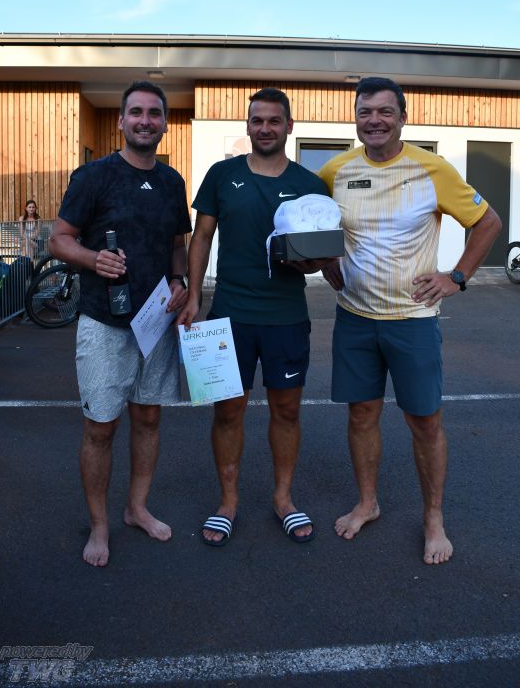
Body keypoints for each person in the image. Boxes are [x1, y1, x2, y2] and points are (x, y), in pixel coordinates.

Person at [319, 77, 501, 564]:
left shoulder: (431, 168)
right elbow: (316, 222)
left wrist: (456, 277)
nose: (374, 120)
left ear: (403, 117)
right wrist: (325, 258)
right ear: (355, 118)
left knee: (424, 421)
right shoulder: (336, 170)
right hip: (355, 317)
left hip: (413, 320)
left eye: (385, 111)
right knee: (361, 415)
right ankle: (367, 503)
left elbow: (488, 223)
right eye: (365, 112)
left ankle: (433, 519)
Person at [178, 87, 331, 546]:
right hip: (229, 315)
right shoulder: (222, 175)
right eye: (257, 120)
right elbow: (201, 237)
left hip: (286, 317)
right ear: (248, 125)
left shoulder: (310, 184)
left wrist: (313, 263)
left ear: (289, 126)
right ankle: (228, 502)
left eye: (273, 121)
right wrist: (193, 296)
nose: (265, 128)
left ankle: (283, 498)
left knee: (287, 410)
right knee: (228, 411)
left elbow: (319, 252)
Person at [49, 81, 191, 567]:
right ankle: (99, 526)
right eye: (136, 112)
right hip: (104, 323)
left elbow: (177, 243)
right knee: (101, 428)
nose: (145, 121)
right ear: (121, 121)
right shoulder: (94, 176)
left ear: (164, 122)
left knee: (148, 418)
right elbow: (59, 239)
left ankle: (136, 508)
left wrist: (180, 280)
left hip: (156, 323)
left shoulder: (172, 181)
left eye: (154, 113)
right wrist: (93, 259)